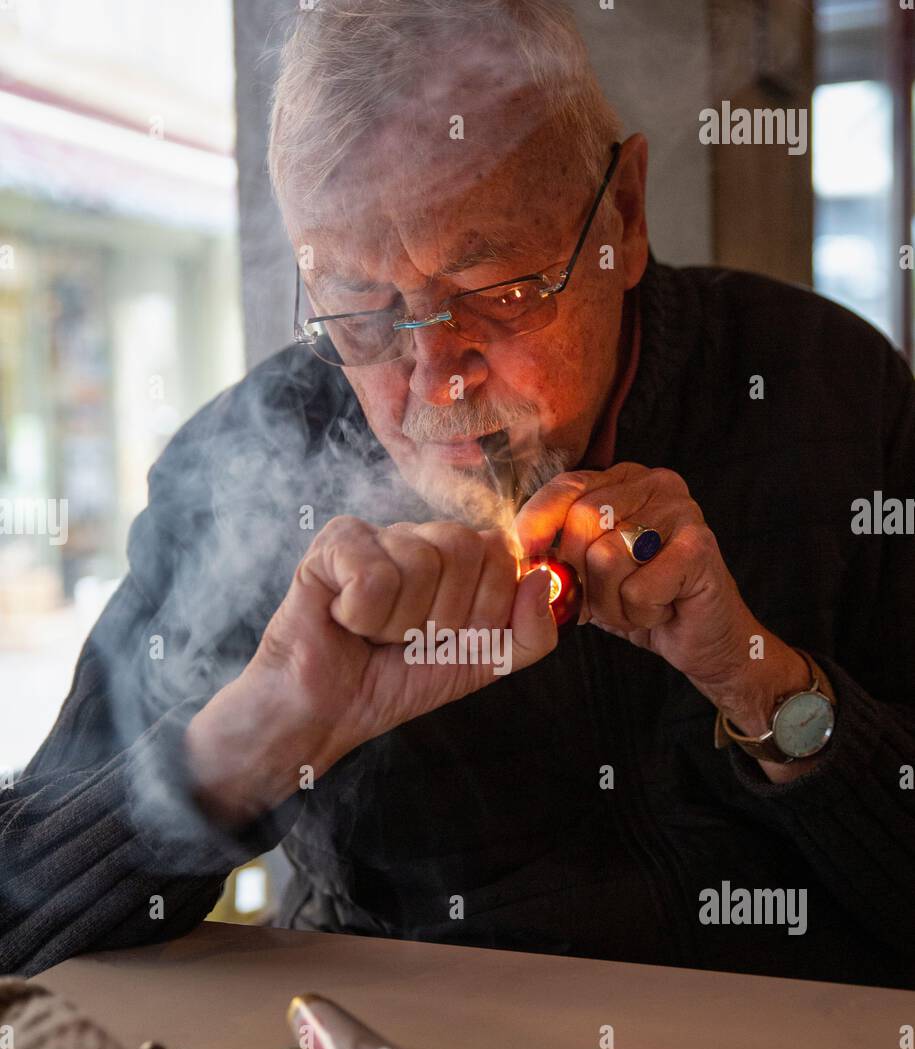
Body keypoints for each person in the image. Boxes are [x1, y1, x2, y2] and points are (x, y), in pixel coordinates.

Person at [2, 0, 913, 985]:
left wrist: (763, 684)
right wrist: (253, 744)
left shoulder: (823, 388)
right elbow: (15, 916)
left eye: (500, 290)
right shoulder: (242, 472)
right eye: (361, 313)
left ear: (623, 215)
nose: (436, 380)